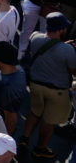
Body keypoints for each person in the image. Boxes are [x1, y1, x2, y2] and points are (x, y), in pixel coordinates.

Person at [20, 12, 76, 160]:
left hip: (35, 86)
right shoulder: (67, 50)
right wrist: (69, 49)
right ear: (60, 29)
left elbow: (49, 48)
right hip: (56, 92)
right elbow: (73, 70)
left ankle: (24, 140)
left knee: (34, 112)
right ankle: (40, 149)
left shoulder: (35, 37)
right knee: (49, 121)